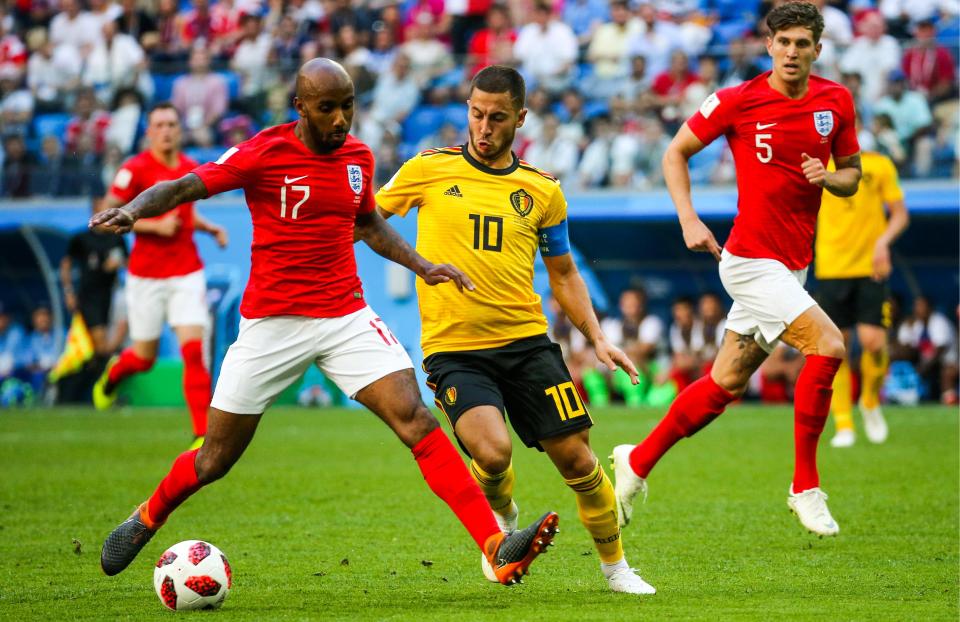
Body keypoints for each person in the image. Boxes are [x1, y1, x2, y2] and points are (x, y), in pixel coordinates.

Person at [91, 58, 558, 586]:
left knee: (416, 419)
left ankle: (495, 547)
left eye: (348, 106)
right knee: (215, 459)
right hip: (272, 322)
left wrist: (423, 266)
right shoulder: (262, 153)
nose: (341, 120)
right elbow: (184, 187)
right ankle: (148, 514)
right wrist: (133, 210)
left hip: (345, 315)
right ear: (301, 108)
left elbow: (369, 224)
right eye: (327, 108)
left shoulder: (357, 157)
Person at [375, 65, 655, 595]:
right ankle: (502, 524)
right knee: (493, 451)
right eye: (476, 114)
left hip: (528, 343)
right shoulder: (426, 169)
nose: (484, 127)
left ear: (520, 119)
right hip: (455, 349)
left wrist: (596, 337)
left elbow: (565, 273)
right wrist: (414, 262)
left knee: (578, 458)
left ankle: (616, 569)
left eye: (497, 118)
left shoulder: (543, 190)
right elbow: (368, 218)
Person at [610, 1, 862, 538]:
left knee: (724, 383)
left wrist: (828, 178)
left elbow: (853, 177)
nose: (792, 52)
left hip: (794, 266)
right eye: (783, 42)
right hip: (748, 261)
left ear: (818, 48)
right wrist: (689, 219)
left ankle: (636, 461)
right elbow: (675, 153)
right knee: (829, 346)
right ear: (768, 45)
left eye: (803, 43)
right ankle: (805, 487)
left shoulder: (836, 101)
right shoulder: (736, 101)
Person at [92, 102, 228, 448]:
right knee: (144, 357)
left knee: (194, 350)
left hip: (187, 272)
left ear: (179, 130)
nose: (167, 130)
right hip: (146, 276)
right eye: (160, 125)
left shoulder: (187, 168)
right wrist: (152, 225)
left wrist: (209, 227)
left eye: (172, 124)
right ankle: (111, 377)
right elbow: (106, 216)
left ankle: (201, 435)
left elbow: (183, 216)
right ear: (149, 132)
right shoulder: (134, 169)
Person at [816, 145, 909, 447]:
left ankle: (869, 401)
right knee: (836, 347)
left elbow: (899, 214)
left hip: (871, 267)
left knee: (874, 342)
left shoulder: (878, 164)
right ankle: (844, 423)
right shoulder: (816, 164)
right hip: (831, 268)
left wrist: (884, 241)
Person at [61, 198, 128, 367]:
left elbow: (128, 263)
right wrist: (68, 292)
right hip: (89, 297)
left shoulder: (117, 238)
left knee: (104, 345)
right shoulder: (81, 238)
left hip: (110, 295)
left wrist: (118, 263)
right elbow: (66, 264)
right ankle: (100, 380)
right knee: (99, 342)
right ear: (95, 210)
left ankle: (98, 373)